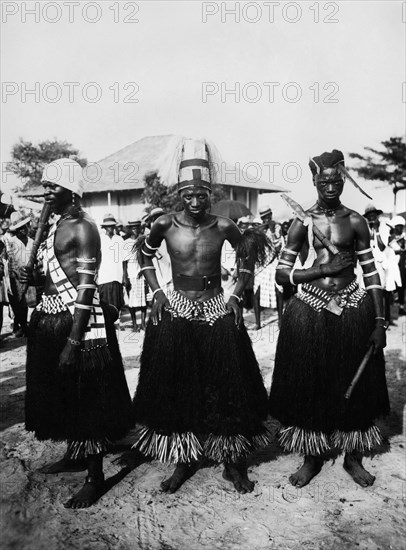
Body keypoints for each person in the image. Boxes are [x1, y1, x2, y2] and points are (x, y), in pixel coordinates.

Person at [132, 138, 272, 494]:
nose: (195, 202)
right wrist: (158, 292)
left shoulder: (224, 226)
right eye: (189, 196)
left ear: (211, 194)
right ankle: (185, 458)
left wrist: (237, 296)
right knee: (180, 386)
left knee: (229, 385)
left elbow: (247, 258)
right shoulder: (164, 224)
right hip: (177, 306)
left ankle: (233, 462)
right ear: (180, 194)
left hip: (215, 307)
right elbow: (144, 256)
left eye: (202, 195)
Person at [269, 150, 389, 488]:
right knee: (310, 382)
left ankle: (353, 458)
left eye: (336, 181)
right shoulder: (302, 222)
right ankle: (312, 456)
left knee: (355, 382)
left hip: (353, 306)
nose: (331, 186)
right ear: (314, 182)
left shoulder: (355, 221)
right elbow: (282, 275)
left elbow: (371, 274)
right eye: (324, 182)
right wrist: (323, 269)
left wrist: (379, 321)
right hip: (311, 306)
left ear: (343, 180)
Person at [21, 158, 132, 509]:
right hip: (52, 318)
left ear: (71, 189)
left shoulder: (84, 227)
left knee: (88, 399)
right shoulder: (58, 223)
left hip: (79, 325)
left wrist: (73, 340)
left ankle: (94, 476)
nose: (46, 192)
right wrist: (34, 281)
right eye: (45, 185)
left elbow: (85, 287)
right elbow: (55, 277)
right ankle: (73, 453)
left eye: (53, 186)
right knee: (63, 394)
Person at [6, 212, 35, 337]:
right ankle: (22, 326)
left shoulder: (32, 242)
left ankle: (27, 325)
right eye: (19, 228)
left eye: (25, 227)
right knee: (18, 304)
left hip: (30, 275)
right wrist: (16, 275)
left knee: (31, 302)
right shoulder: (10, 242)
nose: (23, 230)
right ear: (16, 230)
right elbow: (10, 261)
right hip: (16, 277)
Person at [98, 213, 126, 313]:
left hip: (117, 276)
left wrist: (125, 276)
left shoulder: (119, 239)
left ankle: (116, 325)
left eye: (111, 225)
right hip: (103, 277)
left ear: (114, 226)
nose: (110, 228)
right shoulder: (100, 239)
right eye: (107, 226)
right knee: (105, 304)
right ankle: (108, 327)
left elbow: (124, 259)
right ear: (104, 227)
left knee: (117, 304)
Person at [123, 220, 147, 331]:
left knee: (143, 301)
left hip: (141, 274)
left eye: (137, 228)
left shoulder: (143, 240)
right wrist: (125, 276)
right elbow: (124, 261)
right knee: (132, 302)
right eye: (133, 228)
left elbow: (146, 258)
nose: (135, 230)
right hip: (131, 274)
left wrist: (143, 270)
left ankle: (142, 323)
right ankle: (134, 324)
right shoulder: (126, 242)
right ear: (130, 229)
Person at [389, 215, 406, 315]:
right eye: (398, 226)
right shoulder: (390, 237)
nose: (400, 228)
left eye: (401, 226)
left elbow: (403, 250)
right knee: (392, 286)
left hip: (401, 265)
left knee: (402, 285)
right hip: (392, 265)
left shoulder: (404, 237)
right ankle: (391, 309)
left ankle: (401, 306)